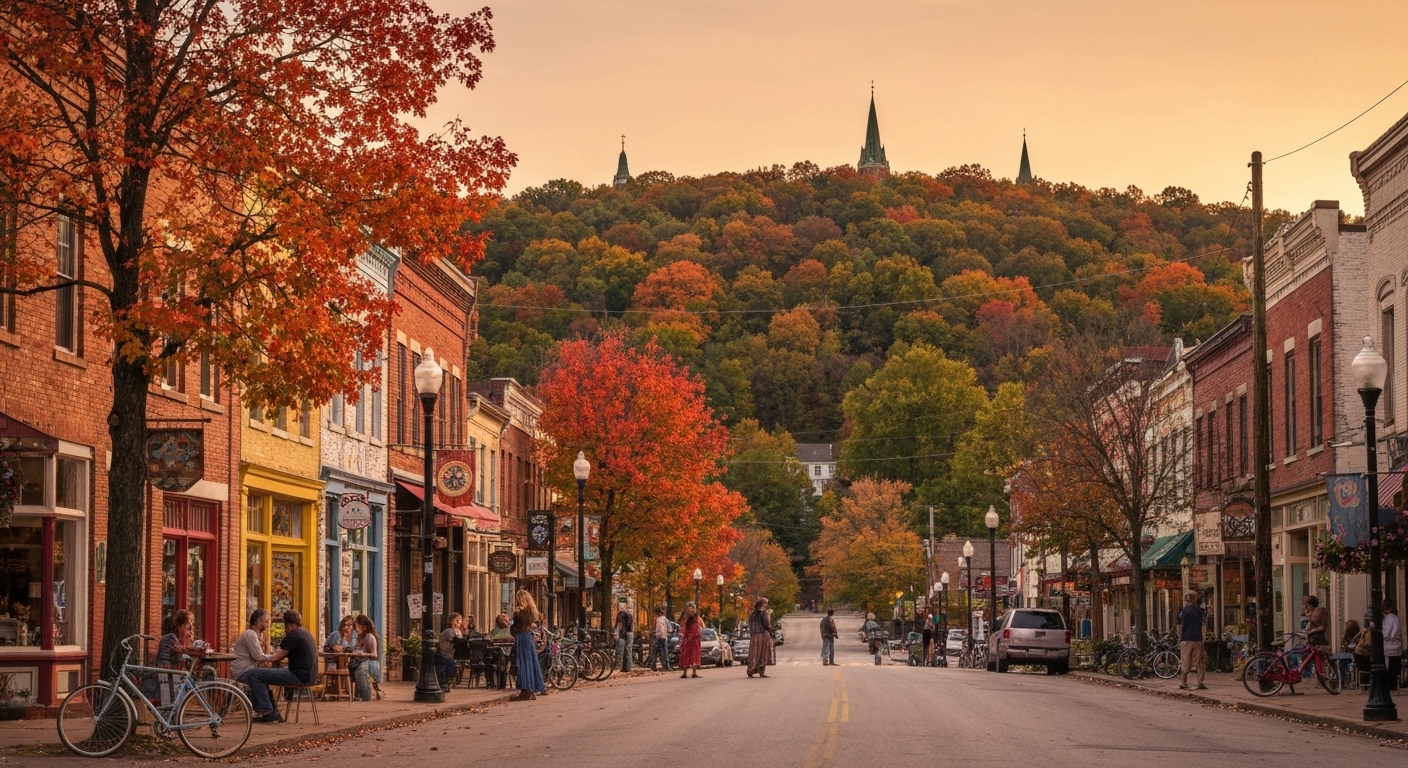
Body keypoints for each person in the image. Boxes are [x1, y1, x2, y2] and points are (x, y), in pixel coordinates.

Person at [236, 610, 317, 724]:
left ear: (289, 624)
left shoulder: (293, 635)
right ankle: (273, 712)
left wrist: (266, 659)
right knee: (263, 675)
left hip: (297, 676)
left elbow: (276, 657)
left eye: (285, 626)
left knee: (254, 674)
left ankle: (267, 712)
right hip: (310, 677)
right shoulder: (305, 633)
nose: (285, 629)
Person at [144, 610, 205, 704]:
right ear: (179, 626)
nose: (189, 630)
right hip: (165, 678)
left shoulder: (180, 641)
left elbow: (187, 659)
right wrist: (184, 649)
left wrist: (187, 643)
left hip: (175, 677)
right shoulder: (169, 638)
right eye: (187, 626)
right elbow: (164, 665)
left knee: (196, 679)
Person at [510, 590, 546, 701]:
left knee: (523, 663)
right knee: (530, 662)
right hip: (528, 637)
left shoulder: (520, 612)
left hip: (522, 637)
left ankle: (525, 690)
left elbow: (515, 626)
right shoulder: (531, 611)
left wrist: (514, 616)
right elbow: (531, 624)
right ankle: (532, 688)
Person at [1175, 591, 1207, 691]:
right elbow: (1204, 623)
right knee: (1199, 662)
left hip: (1186, 639)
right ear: (1195, 599)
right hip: (1197, 639)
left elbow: (1179, 624)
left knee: (1185, 661)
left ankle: (1184, 682)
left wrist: (1180, 636)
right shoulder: (1200, 611)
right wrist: (1203, 637)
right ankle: (1200, 682)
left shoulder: (1183, 611)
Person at [231, 609, 275, 680]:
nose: (267, 624)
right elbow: (258, 656)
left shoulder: (259, 635)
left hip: (247, 670)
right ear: (256, 622)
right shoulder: (250, 634)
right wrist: (274, 657)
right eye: (265, 621)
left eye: (268, 621)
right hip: (243, 671)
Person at [350, 614, 383, 702]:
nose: (357, 628)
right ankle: (357, 695)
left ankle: (366, 696)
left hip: (369, 662)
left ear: (364, 627)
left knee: (361, 670)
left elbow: (374, 655)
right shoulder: (358, 637)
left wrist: (361, 654)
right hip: (358, 661)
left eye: (358, 626)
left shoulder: (370, 637)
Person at [746, 598, 773, 678]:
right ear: (761, 603)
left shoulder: (753, 614)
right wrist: (769, 615)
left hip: (754, 635)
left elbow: (751, 625)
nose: (766, 604)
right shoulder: (764, 613)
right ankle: (761, 671)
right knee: (763, 653)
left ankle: (751, 670)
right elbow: (767, 624)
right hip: (762, 634)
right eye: (765, 603)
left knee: (754, 653)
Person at [437, 612, 464, 691]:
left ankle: (447, 682)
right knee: (447, 667)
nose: (459, 622)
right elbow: (454, 639)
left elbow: (460, 641)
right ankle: (444, 683)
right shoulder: (449, 631)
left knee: (452, 669)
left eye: (460, 620)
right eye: (457, 620)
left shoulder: (458, 631)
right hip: (444, 654)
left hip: (451, 655)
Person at [678, 603, 703, 678]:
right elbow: (702, 627)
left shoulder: (685, 619)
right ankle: (694, 673)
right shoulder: (697, 619)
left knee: (686, 655)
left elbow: (681, 630)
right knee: (694, 656)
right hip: (695, 640)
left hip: (687, 640)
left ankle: (685, 673)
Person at [1384, 605, 1403, 691]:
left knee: (1389, 668)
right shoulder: (1396, 618)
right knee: (1394, 668)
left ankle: (1390, 686)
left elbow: (1387, 633)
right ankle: (1394, 685)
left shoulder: (1389, 619)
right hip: (1396, 647)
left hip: (1389, 647)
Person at [614, 605, 634, 673]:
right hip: (630, 633)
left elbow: (620, 626)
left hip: (625, 634)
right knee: (628, 651)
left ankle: (621, 667)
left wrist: (617, 634)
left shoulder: (620, 616)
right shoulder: (629, 616)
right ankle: (627, 667)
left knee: (623, 651)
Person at [652, 606, 672, 672]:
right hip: (664, 637)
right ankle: (666, 666)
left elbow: (659, 629)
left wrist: (657, 634)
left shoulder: (658, 620)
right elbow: (670, 627)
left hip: (659, 637)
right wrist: (669, 631)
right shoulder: (664, 619)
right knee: (664, 652)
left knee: (657, 652)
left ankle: (656, 666)